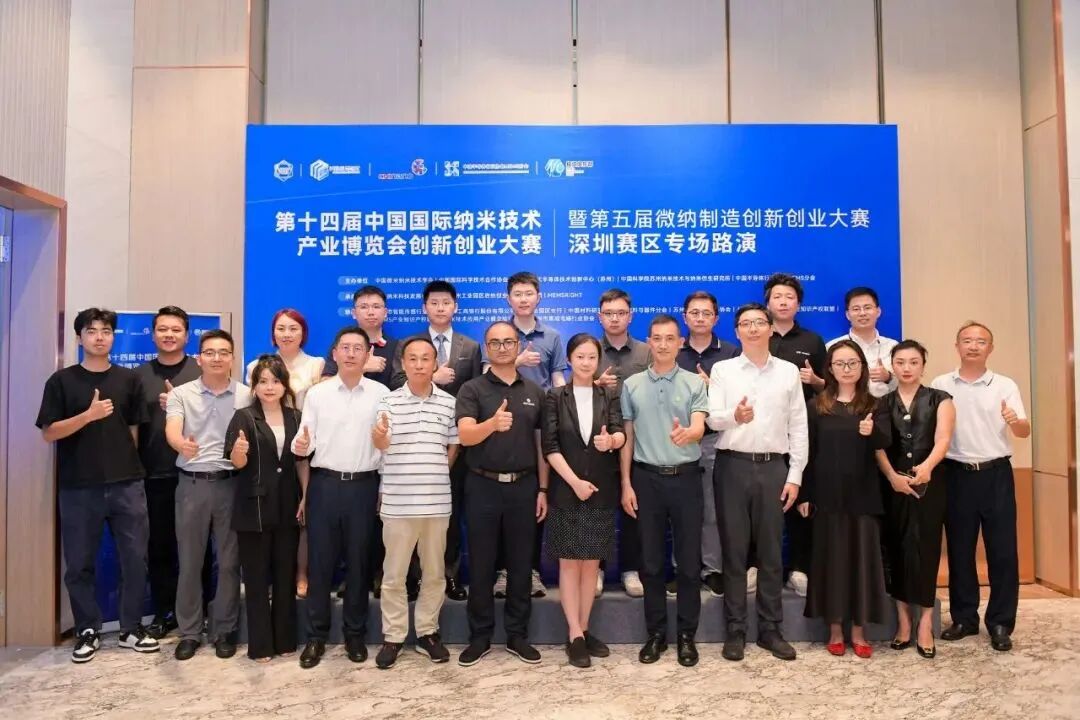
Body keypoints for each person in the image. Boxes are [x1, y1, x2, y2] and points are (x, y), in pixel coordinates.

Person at [36, 308, 158, 663]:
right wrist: (87, 416)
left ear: (113, 337)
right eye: (91, 331)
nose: (100, 337)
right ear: (80, 338)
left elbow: (133, 432)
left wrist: (127, 467)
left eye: (106, 331)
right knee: (79, 564)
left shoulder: (129, 379)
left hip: (127, 484)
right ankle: (87, 629)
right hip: (79, 487)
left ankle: (131, 628)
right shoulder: (61, 381)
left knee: (135, 559)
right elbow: (49, 432)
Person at [708, 303, 808, 662]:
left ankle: (770, 630)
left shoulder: (788, 372)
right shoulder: (723, 370)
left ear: (770, 328)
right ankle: (735, 630)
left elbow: (799, 426)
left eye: (759, 322)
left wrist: (795, 475)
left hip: (773, 469)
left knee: (770, 553)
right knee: (734, 553)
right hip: (732, 467)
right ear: (736, 331)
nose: (752, 328)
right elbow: (712, 419)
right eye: (745, 323)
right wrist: (734, 416)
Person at [294, 326, 390, 669]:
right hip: (324, 485)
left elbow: (386, 446)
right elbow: (302, 442)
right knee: (320, 564)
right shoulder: (318, 395)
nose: (350, 353)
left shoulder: (381, 394)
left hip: (364, 486)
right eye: (344, 348)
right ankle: (316, 637)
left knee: (359, 563)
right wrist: (300, 446)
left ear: (368, 355)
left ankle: (355, 635)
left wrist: (383, 488)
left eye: (357, 348)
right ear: (334, 354)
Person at [931, 321, 1029, 652]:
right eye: (967, 340)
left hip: (995, 473)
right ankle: (964, 619)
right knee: (960, 550)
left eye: (981, 341)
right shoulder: (941, 384)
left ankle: (1001, 622)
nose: (973, 346)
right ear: (957, 346)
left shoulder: (1004, 384)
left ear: (991, 348)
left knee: (1003, 551)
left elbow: (1024, 431)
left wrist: (1016, 421)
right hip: (955, 474)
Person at [456, 321, 548, 667]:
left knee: (521, 565)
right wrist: (491, 425)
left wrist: (543, 488)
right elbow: (465, 436)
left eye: (509, 342)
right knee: (481, 564)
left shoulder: (534, 390)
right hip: (482, 485)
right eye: (495, 343)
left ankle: (517, 635)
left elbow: (542, 446)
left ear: (518, 345)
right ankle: (479, 636)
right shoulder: (472, 389)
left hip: (524, 486)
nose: (503, 348)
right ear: (487, 348)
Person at [620, 314, 708, 667]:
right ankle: (655, 634)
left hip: (686, 479)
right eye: (656, 338)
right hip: (646, 479)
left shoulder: (694, 382)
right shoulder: (632, 384)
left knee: (688, 564)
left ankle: (687, 635)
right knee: (652, 563)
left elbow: (700, 424)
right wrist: (626, 483)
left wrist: (690, 433)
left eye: (670, 338)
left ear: (680, 343)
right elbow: (628, 437)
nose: (663, 344)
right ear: (649, 342)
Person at [391, 279, 482, 602]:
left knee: (450, 513)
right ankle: (413, 577)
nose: (440, 307)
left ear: (455, 307)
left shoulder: (470, 347)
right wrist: (432, 376)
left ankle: (449, 575)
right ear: (424, 307)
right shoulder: (408, 344)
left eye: (446, 302)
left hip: (455, 442)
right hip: (414, 441)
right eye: (434, 302)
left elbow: (476, 392)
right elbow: (396, 380)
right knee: (413, 512)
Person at [372, 336, 459, 669]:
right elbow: (380, 442)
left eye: (426, 358)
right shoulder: (388, 401)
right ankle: (393, 636)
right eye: (413, 358)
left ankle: (427, 632)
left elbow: (453, 444)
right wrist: (380, 437)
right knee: (393, 575)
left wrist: (437, 471)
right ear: (403, 363)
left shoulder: (449, 403)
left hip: (437, 503)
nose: (419, 364)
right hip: (398, 503)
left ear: (435, 364)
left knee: (434, 573)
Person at [799, 340, 890, 659]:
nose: (847, 369)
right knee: (832, 563)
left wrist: (870, 432)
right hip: (827, 495)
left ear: (862, 367)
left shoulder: (874, 404)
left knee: (862, 563)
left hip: (863, 495)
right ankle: (835, 630)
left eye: (853, 363)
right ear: (830, 369)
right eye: (840, 364)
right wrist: (805, 493)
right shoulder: (817, 405)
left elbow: (885, 442)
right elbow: (807, 452)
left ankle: (859, 632)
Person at [165, 329, 251, 661]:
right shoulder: (181, 394)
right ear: (199, 358)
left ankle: (224, 629)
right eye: (210, 352)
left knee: (229, 563)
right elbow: (172, 428)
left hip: (232, 485)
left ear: (233, 358)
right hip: (192, 485)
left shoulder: (246, 395)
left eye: (224, 352)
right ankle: (189, 631)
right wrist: (180, 444)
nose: (217, 358)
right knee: (189, 561)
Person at [542, 333, 625, 667]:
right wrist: (575, 482)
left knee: (591, 562)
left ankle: (586, 627)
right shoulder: (554, 397)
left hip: (601, 489)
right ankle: (574, 633)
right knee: (569, 562)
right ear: (569, 360)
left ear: (598, 360)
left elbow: (619, 432)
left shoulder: (608, 394)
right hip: (567, 489)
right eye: (580, 357)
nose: (586, 363)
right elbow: (550, 447)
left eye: (592, 357)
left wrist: (612, 441)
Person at [486, 271, 567, 599]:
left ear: (538, 297)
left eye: (528, 293)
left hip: (539, 420)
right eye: (517, 294)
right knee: (501, 504)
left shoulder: (552, 336)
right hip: (503, 421)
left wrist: (565, 407)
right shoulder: (498, 333)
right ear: (508, 299)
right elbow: (486, 372)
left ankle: (531, 571)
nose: (523, 299)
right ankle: (503, 572)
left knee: (535, 497)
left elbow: (558, 376)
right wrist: (516, 359)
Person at [222, 355, 305, 662]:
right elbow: (236, 463)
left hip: (288, 504)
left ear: (285, 386)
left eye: (276, 381)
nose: (270, 387)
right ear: (254, 386)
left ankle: (285, 640)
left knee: (285, 575)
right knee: (256, 579)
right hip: (253, 507)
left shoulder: (296, 417)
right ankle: (260, 645)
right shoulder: (243, 417)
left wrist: (305, 497)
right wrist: (239, 452)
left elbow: (302, 461)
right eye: (263, 381)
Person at [876, 340, 954, 659]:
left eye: (913, 362)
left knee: (926, 549)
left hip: (930, 483)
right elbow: (878, 446)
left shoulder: (940, 399)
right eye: (900, 362)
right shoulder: (882, 403)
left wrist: (927, 467)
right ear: (892, 366)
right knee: (895, 548)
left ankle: (924, 623)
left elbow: (944, 438)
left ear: (923, 365)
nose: (906, 368)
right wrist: (891, 476)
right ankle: (903, 621)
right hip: (892, 485)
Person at [133, 306, 207, 639]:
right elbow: (132, 427)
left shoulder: (201, 369)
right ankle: (165, 612)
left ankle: (199, 612)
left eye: (176, 329)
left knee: (198, 548)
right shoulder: (138, 376)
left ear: (187, 335)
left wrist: (179, 405)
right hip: (155, 474)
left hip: (196, 472)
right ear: (153, 335)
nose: (169, 335)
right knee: (160, 548)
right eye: (162, 329)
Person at [245, 308, 324, 599]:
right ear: (272, 333)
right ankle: (269, 577)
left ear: (303, 333)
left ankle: (301, 573)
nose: (287, 334)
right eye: (281, 328)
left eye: (293, 328)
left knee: (301, 515)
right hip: (267, 446)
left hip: (304, 444)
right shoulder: (256, 365)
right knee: (267, 515)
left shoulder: (316, 364)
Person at [765, 272, 826, 597]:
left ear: (799, 304)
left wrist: (815, 381)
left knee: (802, 497)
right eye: (777, 296)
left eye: (789, 297)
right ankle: (758, 565)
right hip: (763, 431)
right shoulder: (759, 336)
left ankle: (800, 567)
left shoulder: (812, 342)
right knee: (763, 501)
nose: (783, 302)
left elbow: (830, 388)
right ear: (768, 303)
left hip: (803, 430)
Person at [676, 290, 739, 597]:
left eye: (706, 313)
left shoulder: (730, 352)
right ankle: (683, 569)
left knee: (713, 509)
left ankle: (712, 569)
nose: (700, 318)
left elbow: (740, 398)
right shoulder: (673, 350)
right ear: (685, 317)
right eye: (694, 313)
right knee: (680, 510)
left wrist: (711, 387)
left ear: (716, 318)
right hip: (677, 441)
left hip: (715, 440)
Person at [592, 288, 650, 598]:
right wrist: (595, 384)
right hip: (597, 440)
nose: (614, 319)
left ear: (630, 316)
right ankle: (597, 568)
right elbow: (572, 391)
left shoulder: (645, 352)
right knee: (599, 506)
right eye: (608, 313)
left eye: (620, 313)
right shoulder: (589, 350)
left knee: (633, 506)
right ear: (599, 316)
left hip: (639, 440)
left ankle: (630, 569)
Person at [322, 285, 400, 389]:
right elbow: (325, 383)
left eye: (376, 307)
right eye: (364, 307)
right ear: (354, 313)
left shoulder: (397, 347)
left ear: (385, 313)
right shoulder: (342, 345)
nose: (370, 312)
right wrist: (362, 369)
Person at [826, 287, 898, 398]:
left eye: (867, 308)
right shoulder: (832, 347)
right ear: (847, 315)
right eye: (856, 309)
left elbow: (905, 387)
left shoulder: (893, 346)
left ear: (878, 311)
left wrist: (888, 378)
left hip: (885, 406)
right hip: (846, 407)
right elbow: (827, 385)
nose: (862, 313)